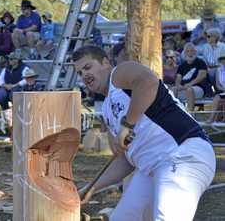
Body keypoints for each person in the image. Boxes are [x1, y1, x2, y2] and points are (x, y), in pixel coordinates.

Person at [73, 45, 215, 221]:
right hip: (149, 168)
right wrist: (90, 189)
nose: (84, 75)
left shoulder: (119, 74)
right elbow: (123, 161)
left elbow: (148, 82)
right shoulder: (107, 112)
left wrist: (127, 124)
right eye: (79, 73)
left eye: (88, 67)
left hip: (182, 154)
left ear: (105, 63)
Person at [172, 42, 211, 111]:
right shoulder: (182, 66)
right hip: (184, 88)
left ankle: (191, 113)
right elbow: (178, 79)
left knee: (189, 89)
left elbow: (201, 77)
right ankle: (174, 112)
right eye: (188, 51)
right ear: (185, 53)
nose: (190, 53)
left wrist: (189, 84)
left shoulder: (200, 62)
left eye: (192, 51)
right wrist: (178, 86)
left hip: (198, 89)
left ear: (195, 52)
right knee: (173, 89)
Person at [207, 50, 225, 123]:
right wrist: (223, 90)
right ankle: (211, 118)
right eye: (222, 59)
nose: (223, 61)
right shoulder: (218, 70)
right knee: (217, 97)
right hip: (223, 91)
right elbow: (218, 85)